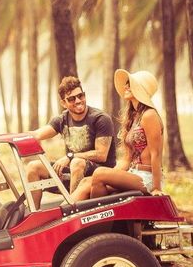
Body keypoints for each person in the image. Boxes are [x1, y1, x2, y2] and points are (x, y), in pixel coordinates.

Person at [72, 70, 163, 200]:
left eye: (130, 84)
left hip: (147, 178)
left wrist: (157, 188)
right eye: (126, 83)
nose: (125, 86)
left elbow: (156, 154)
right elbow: (127, 159)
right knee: (87, 182)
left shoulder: (149, 115)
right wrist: (111, 174)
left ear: (140, 89)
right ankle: (62, 215)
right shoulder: (134, 118)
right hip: (133, 173)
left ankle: (86, 217)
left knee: (99, 173)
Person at [26, 76, 117, 204]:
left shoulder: (100, 119)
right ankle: (34, 216)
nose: (78, 100)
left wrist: (70, 156)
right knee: (33, 167)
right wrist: (14, 137)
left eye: (81, 95)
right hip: (74, 173)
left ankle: (71, 211)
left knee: (77, 162)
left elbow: (101, 155)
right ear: (63, 103)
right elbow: (37, 134)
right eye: (72, 98)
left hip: (99, 176)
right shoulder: (62, 119)